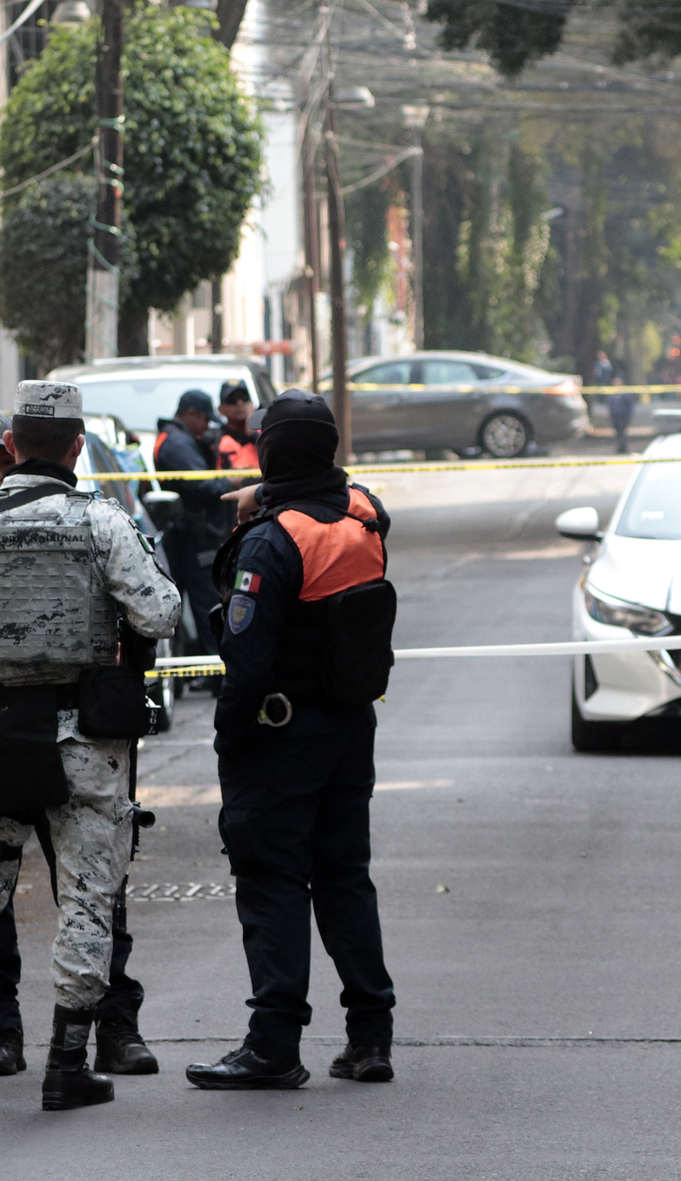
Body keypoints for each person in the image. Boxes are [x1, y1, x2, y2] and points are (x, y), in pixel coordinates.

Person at [0, 381, 181, 1114]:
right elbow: (160, 612)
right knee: (88, 897)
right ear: (77, 447)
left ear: (13, 445)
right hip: (86, 737)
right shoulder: (103, 521)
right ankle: (67, 1065)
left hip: (0, 732)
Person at [184, 389, 398, 1090]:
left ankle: (274, 1045)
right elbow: (339, 495)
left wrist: (229, 743)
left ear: (271, 453)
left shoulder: (271, 542)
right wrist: (273, 497)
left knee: (273, 880)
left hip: (279, 737)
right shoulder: (364, 516)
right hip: (350, 728)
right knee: (344, 877)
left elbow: (245, 664)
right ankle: (370, 1037)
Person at [153, 390, 231, 658]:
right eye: (204, 420)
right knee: (206, 604)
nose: (206, 427)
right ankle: (213, 668)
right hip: (190, 537)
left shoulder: (174, 438)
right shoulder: (178, 443)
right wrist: (231, 482)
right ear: (191, 414)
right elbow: (204, 484)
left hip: (184, 534)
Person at [594, 351, 636, 455]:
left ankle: (623, 447)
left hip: (623, 415)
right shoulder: (611, 394)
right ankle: (620, 447)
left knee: (622, 432)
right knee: (618, 432)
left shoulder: (626, 393)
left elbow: (630, 404)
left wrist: (628, 414)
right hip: (615, 415)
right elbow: (610, 404)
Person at [215, 380, 260, 476]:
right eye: (232, 399)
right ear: (221, 409)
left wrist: (253, 432)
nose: (239, 403)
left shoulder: (264, 434)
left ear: (252, 403)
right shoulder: (215, 439)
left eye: (244, 398)